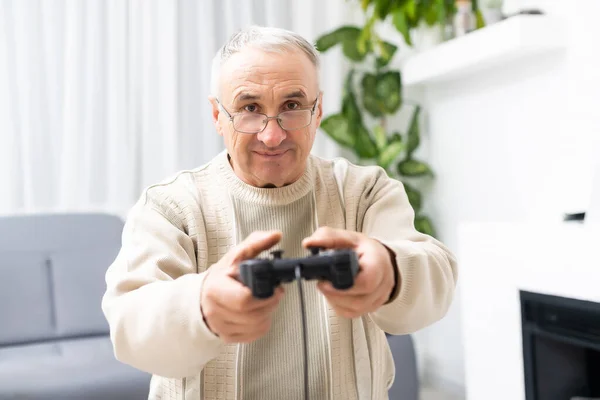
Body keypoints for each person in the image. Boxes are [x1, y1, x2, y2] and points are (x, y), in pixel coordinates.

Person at [101, 25, 458, 400]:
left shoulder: (364, 192)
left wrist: (391, 270)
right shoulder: (170, 207)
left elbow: (436, 278)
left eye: (292, 106)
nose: (272, 136)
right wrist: (202, 305)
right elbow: (129, 326)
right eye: (250, 108)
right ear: (217, 115)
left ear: (318, 110)